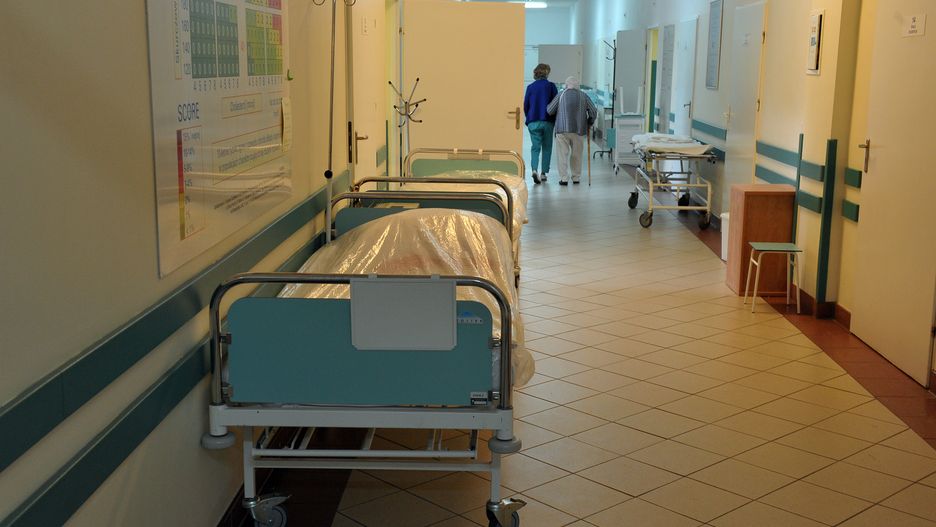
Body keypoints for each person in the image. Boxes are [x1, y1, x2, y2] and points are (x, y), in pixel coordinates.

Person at [546, 76, 597, 185]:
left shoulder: (561, 94)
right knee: (577, 155)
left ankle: (564, 178)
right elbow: (593, 111)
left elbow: (550, 110)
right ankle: (576, 177)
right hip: (579, 129)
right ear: (578, 86)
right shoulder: (584, 95)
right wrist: (590, 122)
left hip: (562, 129)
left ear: (566, 85)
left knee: (562, 155)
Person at [523, 64, 558, 184]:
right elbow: (555, 104)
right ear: (547, 73)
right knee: (547, 147)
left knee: (535, 147)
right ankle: (543, 173)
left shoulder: (530, 87)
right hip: (547, 121)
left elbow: (526, 105)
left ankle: (534, 170)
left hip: (533, 121)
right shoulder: (551, 86)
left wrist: (529, 117)